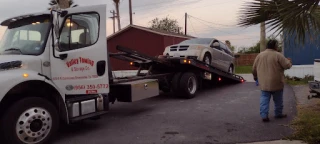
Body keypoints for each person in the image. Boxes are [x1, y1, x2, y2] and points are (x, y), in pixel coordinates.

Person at [252, 39, 292, 122]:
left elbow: (254, 69)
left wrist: (255, 77)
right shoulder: (278, 55)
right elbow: (287, 65)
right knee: (278, 99)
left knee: (264, 98)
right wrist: (289, 61)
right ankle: (278, 114)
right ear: (275, 46)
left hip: (264, 83)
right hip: (276, 82)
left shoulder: (260, 55)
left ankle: (264, 115)